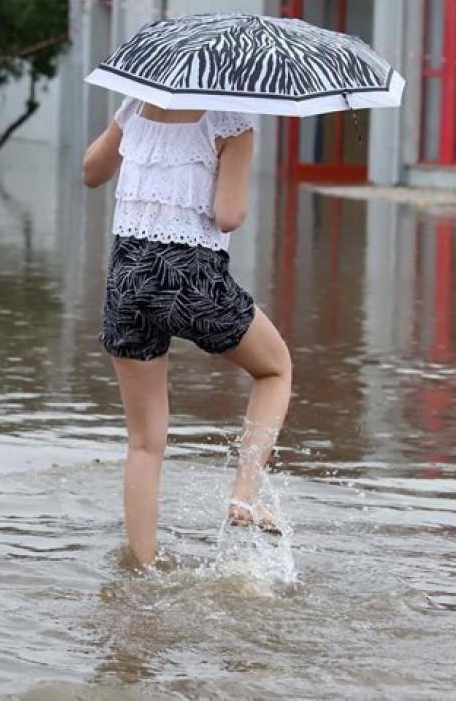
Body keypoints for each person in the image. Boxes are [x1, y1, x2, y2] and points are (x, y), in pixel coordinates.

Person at [82, 98, 293, 568]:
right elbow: (227, 215)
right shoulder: (231, 124)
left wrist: (122, 121)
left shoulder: (134, 107)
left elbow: (91, 171)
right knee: (275, 369)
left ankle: (144, 566)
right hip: (188, 274)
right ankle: (244, 496)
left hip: (127, 276)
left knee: (143, 442)